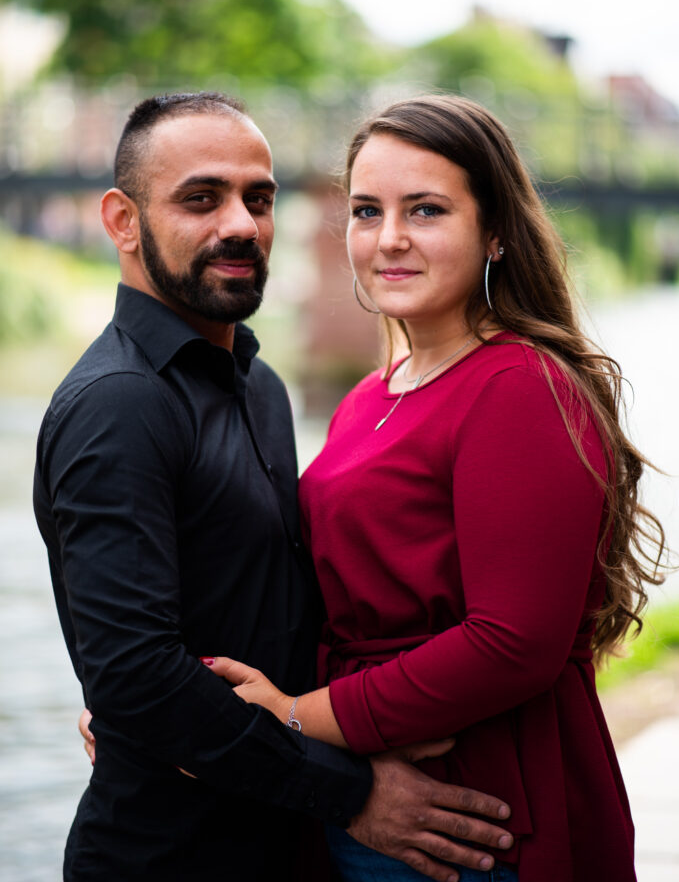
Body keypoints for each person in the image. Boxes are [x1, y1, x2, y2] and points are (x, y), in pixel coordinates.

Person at [35, 91, 515, 882]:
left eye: (258, 199)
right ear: (122, 221)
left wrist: (364, 714)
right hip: (170, 858)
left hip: (287, 843)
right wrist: (353, 792)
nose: (241, 225)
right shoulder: (120, 404)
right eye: (201, 199)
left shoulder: (257, 387)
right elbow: (137, 680)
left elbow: (275, 605)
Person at [199, 94, 667, 882]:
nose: (389, 238)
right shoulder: (371, 396)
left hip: (478, 817)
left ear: (496, 232)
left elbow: (512, 645)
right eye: (367, 211)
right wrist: (165, 710)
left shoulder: (519, 386)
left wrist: (297, 716)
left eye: (425, 210)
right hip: (360, 789)